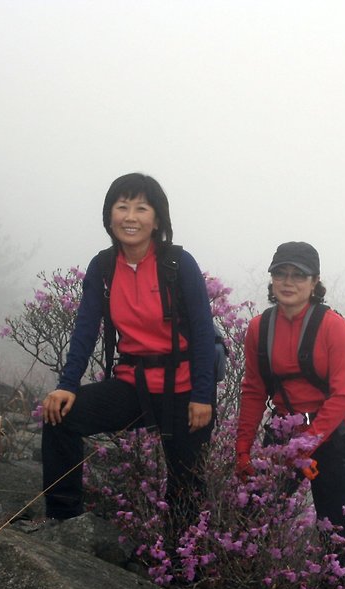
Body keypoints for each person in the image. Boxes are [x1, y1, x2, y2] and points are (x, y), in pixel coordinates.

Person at [40, 173, 215, 527]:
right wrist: (67, 385)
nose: (130, 217)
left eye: (141, 208)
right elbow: (85, 330)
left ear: (157, 220)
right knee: (60, 418)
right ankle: (64, 521)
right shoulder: (103, 267)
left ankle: (181, 561)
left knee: (185, 484)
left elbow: (201, 333)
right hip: (133, 384)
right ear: (109, 216)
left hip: (183, 389)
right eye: (122, 207)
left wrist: (202, 395)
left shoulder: (179, 265)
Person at [235, 241, 345, 553]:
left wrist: (304, 446)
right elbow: (254, 390)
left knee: (335, 532)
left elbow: (343, 395)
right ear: (272, 279)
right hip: (283, 431)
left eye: (299, 275)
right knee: (254, 518)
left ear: (315, 282)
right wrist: (242, 449)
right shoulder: (259, 328)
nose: (288, 282)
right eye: (281, 274)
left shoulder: (334, 327)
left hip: (334, 437)